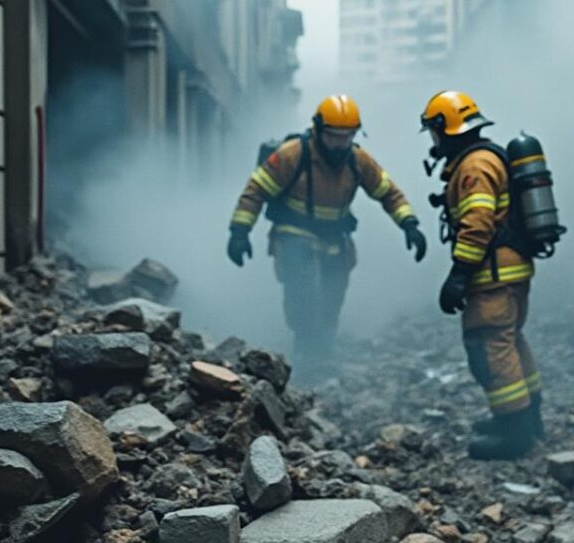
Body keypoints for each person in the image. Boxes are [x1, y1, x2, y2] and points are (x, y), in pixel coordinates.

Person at [227, 95, 426, 375]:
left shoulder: (358, 160)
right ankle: (307, 350)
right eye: (334, 136)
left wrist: (409, 224)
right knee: (304, 291)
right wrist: (239, 231)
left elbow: (387, 192)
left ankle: (323, 349)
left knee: (334, 293)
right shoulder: (292, 155)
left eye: (348, 136)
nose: (340, 144)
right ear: (319, 130)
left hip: (336, 238)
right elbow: (256, 189)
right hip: (294, 232)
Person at [421, 90, 543, 460]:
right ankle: (528, 417)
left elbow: (477, 222)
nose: (433, 140)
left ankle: (515, 433)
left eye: (434, 131)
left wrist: (458, 274)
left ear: (445, 127)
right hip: (510, 269)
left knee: (489, 346)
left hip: (493, 274)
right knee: (509, 339)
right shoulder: (486, 157)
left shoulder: (474, 166)